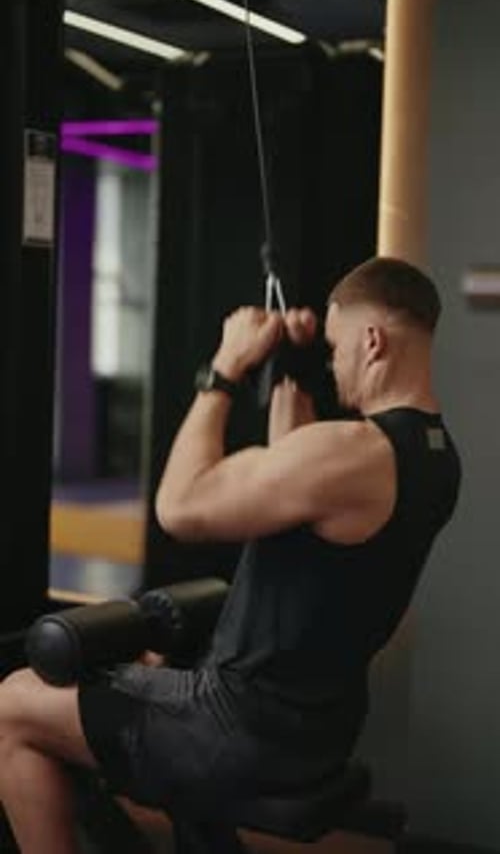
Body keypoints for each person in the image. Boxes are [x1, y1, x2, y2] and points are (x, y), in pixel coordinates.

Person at [0, 257, 461, 853]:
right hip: (315, 728)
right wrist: (289, 395)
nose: (333, 363)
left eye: (336, 346)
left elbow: (180, 507)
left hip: (233, 728)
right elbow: (317, 526)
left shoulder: (353, 452)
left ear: (372, 341)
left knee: (11, 705)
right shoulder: (435, 457)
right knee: (107, 691)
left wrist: (225, 367)